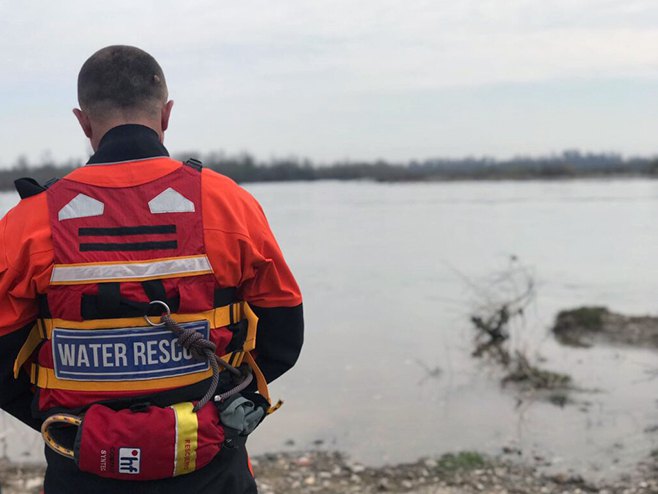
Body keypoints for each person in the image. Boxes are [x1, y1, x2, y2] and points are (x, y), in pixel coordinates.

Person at [0, 45, 304, 493]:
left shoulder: (27, 222)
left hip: (81, 467)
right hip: (212, 465)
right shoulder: (229, 204)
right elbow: (283, 340)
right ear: (166, 114)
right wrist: (217, 416)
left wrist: (71, 429)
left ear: (83, 121)